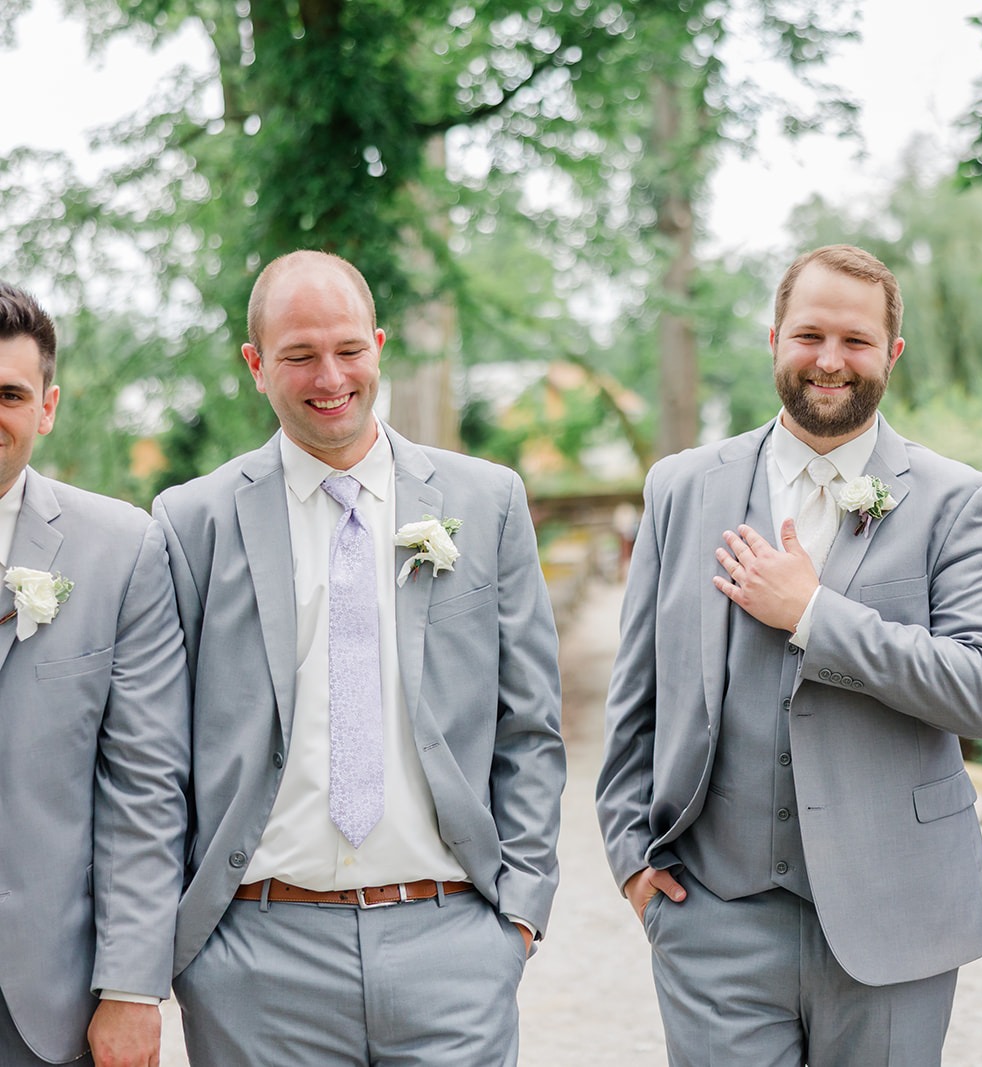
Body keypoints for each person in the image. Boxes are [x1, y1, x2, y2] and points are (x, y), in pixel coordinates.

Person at [595, 244, 982, 1065]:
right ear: (774, 339)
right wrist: (631, 861)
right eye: (809, 335)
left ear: (893, 353)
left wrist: (815, 616)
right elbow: (637, 691)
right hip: (714, 916)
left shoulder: (957, 499)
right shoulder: (680, 488)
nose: (830, 360)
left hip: (896, 918)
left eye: (856, 340)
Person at [154, 250, 564, 1065]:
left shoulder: (487, 502)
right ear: (255, 365)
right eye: (300, 355)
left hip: (452, 945)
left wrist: (517, 912)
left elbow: (530, 724)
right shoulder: (191, 522)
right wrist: (191, 951)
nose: (330, 377)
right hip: (256, 964)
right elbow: (157, 753)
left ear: (378, 346)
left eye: (348, 349)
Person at [0, 282, 188, 1066]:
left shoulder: (121, 549)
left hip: (46, 1000)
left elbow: (145, 785)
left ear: (46, 408)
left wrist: (131, 987)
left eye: (9, 394)